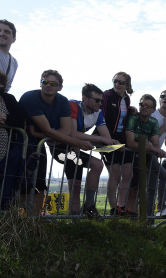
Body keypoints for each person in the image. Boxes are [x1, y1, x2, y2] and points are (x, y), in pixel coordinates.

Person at [20, 70, 93, 215]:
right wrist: (77, 142)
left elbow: (66, 131)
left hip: (38, 142)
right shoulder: (30, 98)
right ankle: (19, 220)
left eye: (53, 83)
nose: (48, 85)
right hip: (19, 142)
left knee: (40, 182)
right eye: (44, 82)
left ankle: (35, 221)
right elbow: (49, 129)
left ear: (60, 87)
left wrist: (39, 134)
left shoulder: (62, 101)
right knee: (20, 180)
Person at [66, 83, 119, 217]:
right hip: (60, 145)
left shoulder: (98, 113)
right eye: (97, 100)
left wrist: (115, 143)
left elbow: (106, 137)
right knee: (75, 185)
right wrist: (100, 139)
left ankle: (88, 206)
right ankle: (75, 219)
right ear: (84, 98)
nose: (100, 103)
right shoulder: (72, 105)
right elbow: (72, 133)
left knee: (96, 166)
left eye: (101, 100)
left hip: (74, 147)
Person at [123, 94, 166, 216]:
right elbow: (130, 143)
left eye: (148, 106)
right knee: (134, 185)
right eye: (142, 104)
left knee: (163, 177)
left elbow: (156, 144)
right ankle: (130, 214)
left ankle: (155, 213)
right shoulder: (133, 118)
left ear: (153, 109)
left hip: (146, 156)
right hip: (131, 156)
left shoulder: (154, 122)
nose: (144, 107)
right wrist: (150, 147)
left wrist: (151, 147)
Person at [101, 72, 134, 216]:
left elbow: (123, 116)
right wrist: (107, 139)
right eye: (115, 81)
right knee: (114, 173)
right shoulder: (107, 95)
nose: (117, 84)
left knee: (128, 173)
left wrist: (132, 111)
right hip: (105, 136)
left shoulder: (127, 99)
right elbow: (99, 116)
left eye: (122, 82)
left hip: (121, 138)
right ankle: (113, 208)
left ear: (127, 85)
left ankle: (122, 207)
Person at [0, 70, 26, 208]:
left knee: (4, 183)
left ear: (2, 84)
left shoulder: (8, 99)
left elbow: (22, 121)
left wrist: (5, 118)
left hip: (6, 151)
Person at [0, 20, 18, 92]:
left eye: (6, 32)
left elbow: (7, 87)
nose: (1, 34)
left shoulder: (14, 62)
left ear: (14, 39)